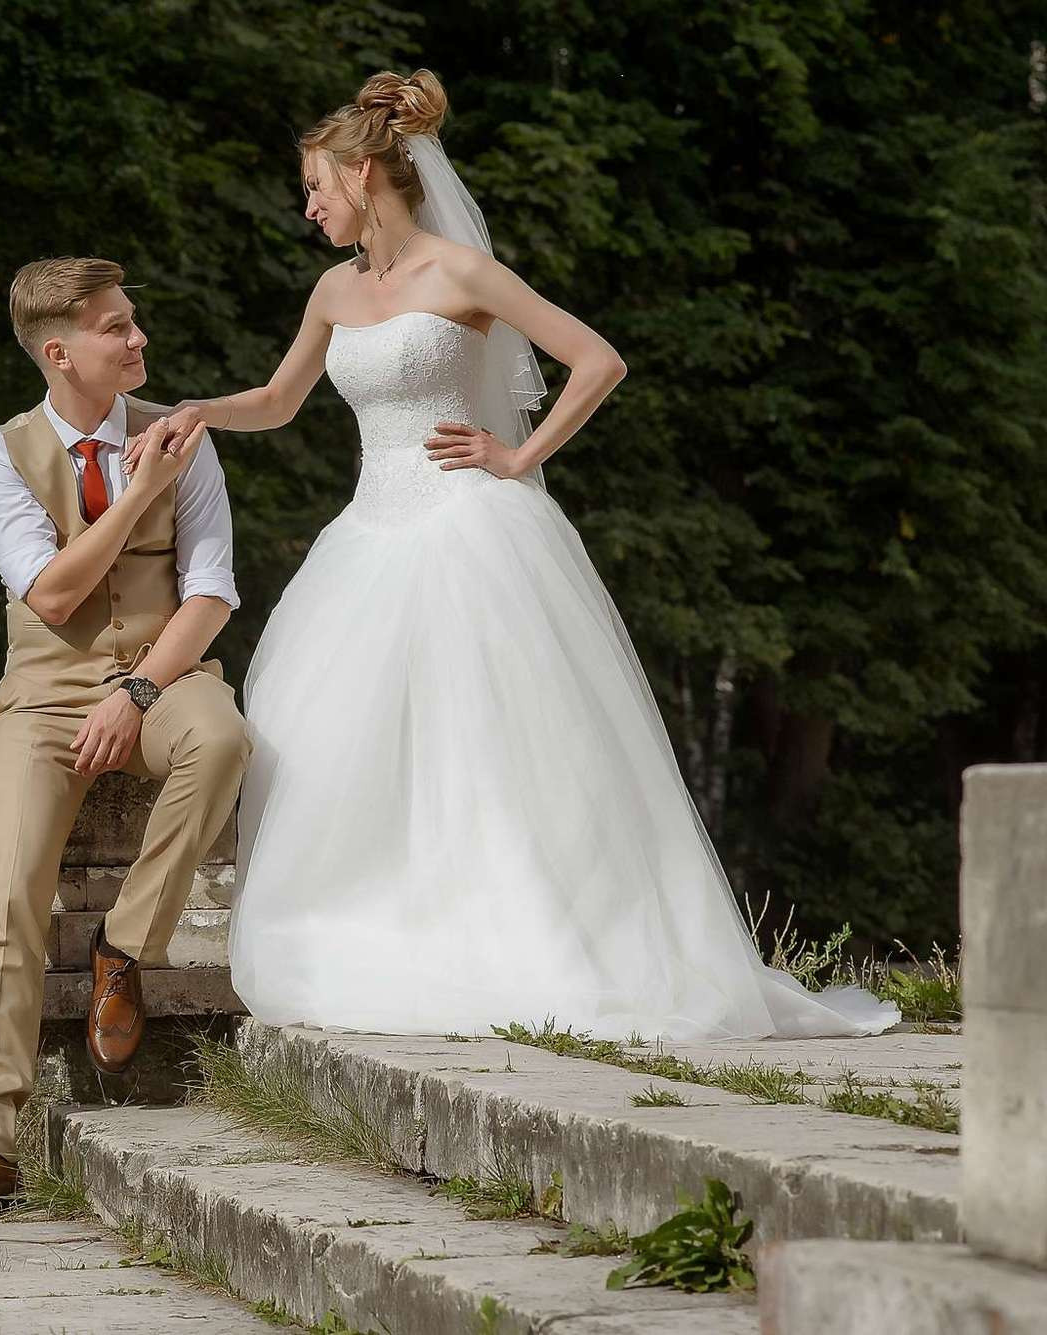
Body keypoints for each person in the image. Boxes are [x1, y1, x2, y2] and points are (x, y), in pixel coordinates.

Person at [128, 70, 896, 1042]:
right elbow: (279, 403)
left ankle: (532, 941)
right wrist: (191, 410)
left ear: (364, 174)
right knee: (334, 741)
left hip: (468, 532)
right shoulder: (333, 290)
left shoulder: (460, 272)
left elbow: (597, 360)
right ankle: (398, 933)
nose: (308, 205)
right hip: (367, 540)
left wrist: (519, 457)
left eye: (315, 185)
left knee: (490, 745)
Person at [0, 257, 251, 1227]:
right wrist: (138, 492)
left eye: (131, 321)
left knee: (220, 739)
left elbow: (211, 593)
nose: (137, 340)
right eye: (115, 328)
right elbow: (55, 593)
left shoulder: (185, 437)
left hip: (165, 674)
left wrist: (140, 690)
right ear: (58, 353)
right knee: (6, 896)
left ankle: (123, 945)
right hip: (41, 699)